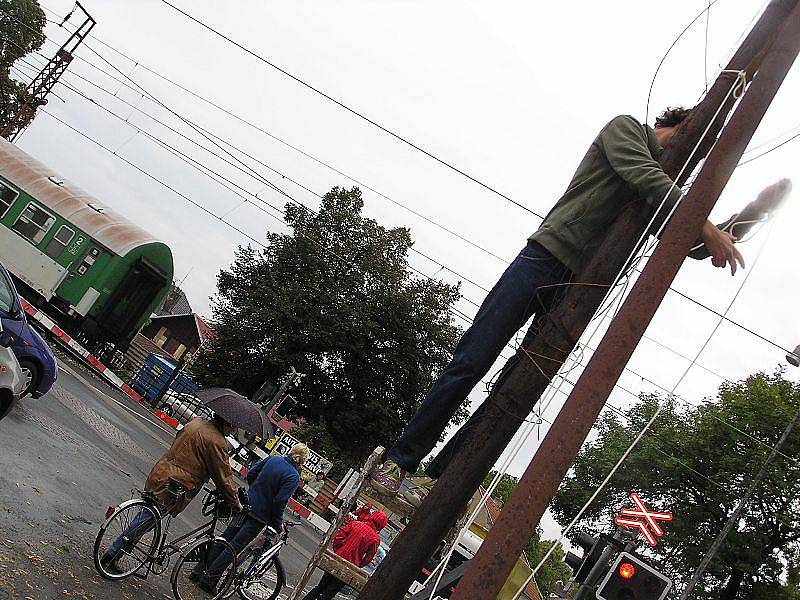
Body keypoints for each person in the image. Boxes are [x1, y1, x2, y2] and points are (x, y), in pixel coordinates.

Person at [370, 107, 746, 495]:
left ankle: (437, 479)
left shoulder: (663, 188)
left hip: (576, 289)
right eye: (695, 149)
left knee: (512, 389)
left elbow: (690, 241)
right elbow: (647, 180)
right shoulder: (628, 130)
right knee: (470, 362)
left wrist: (742, 221)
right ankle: (401, 461)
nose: (689, 164)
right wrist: (704, 224)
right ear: (682, 126)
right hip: (543, 258)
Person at [100, 415, 242, 573]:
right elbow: (223, 477)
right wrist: (236, 503)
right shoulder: (217, 441)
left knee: (147, 517)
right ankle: (112, 553)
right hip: (176, 485)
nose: (233, 432)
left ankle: (118, 553)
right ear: (227, 422)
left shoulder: (196, 422)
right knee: (145, 520)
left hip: (162, 471)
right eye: (233, 427)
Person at [195, 443, 310, 593]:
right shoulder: (293, 476)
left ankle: (198, 571)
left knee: (225, 538)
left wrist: (254, 491)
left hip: (245, 505)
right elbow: (280, 501)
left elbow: (251, 473)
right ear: (302, 461)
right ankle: (210, 579)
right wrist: (277, 522)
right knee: (235, 546)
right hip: (260, 515)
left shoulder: (273, 459)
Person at [301, 510, 388, 600]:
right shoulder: (375, 539)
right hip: (351, 568)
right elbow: (368, 558)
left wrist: (338, 550)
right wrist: (359, 564)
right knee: (329, 593)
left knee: (320, 587)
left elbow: (338, 537)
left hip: (337, 559)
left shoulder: (356, 524)